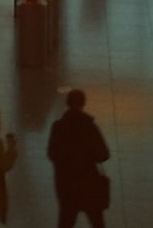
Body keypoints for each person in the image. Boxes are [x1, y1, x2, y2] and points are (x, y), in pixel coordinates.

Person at [47, 89, 110, 228]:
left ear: (67, 103)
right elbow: (104, 154)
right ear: (83, 104)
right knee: (96, 220)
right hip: (88, 182)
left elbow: (52, 154)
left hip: (66, 183)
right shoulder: (90, 126)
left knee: (66, 220)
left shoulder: (58, 127)